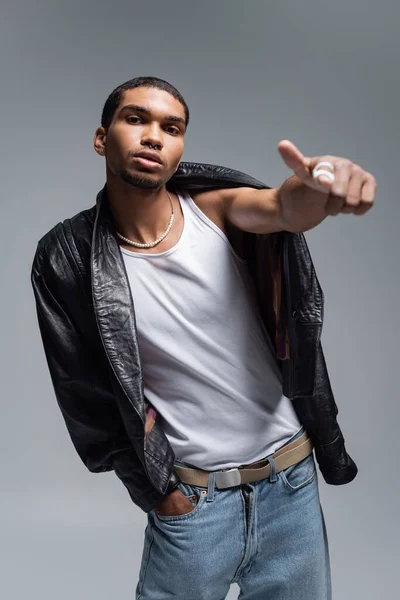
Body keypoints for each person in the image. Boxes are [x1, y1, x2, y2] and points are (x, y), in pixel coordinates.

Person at [31, 76, 376, 599]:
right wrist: (158, 493)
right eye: (136, 120)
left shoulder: (215, 209)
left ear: (180, 147)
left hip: (291, 489)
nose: (154, 136)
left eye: (171, 128)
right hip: (194, 506)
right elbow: (84, 394)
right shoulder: (67, 257)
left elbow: (284, 208)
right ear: (102, 138)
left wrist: (323, 188)